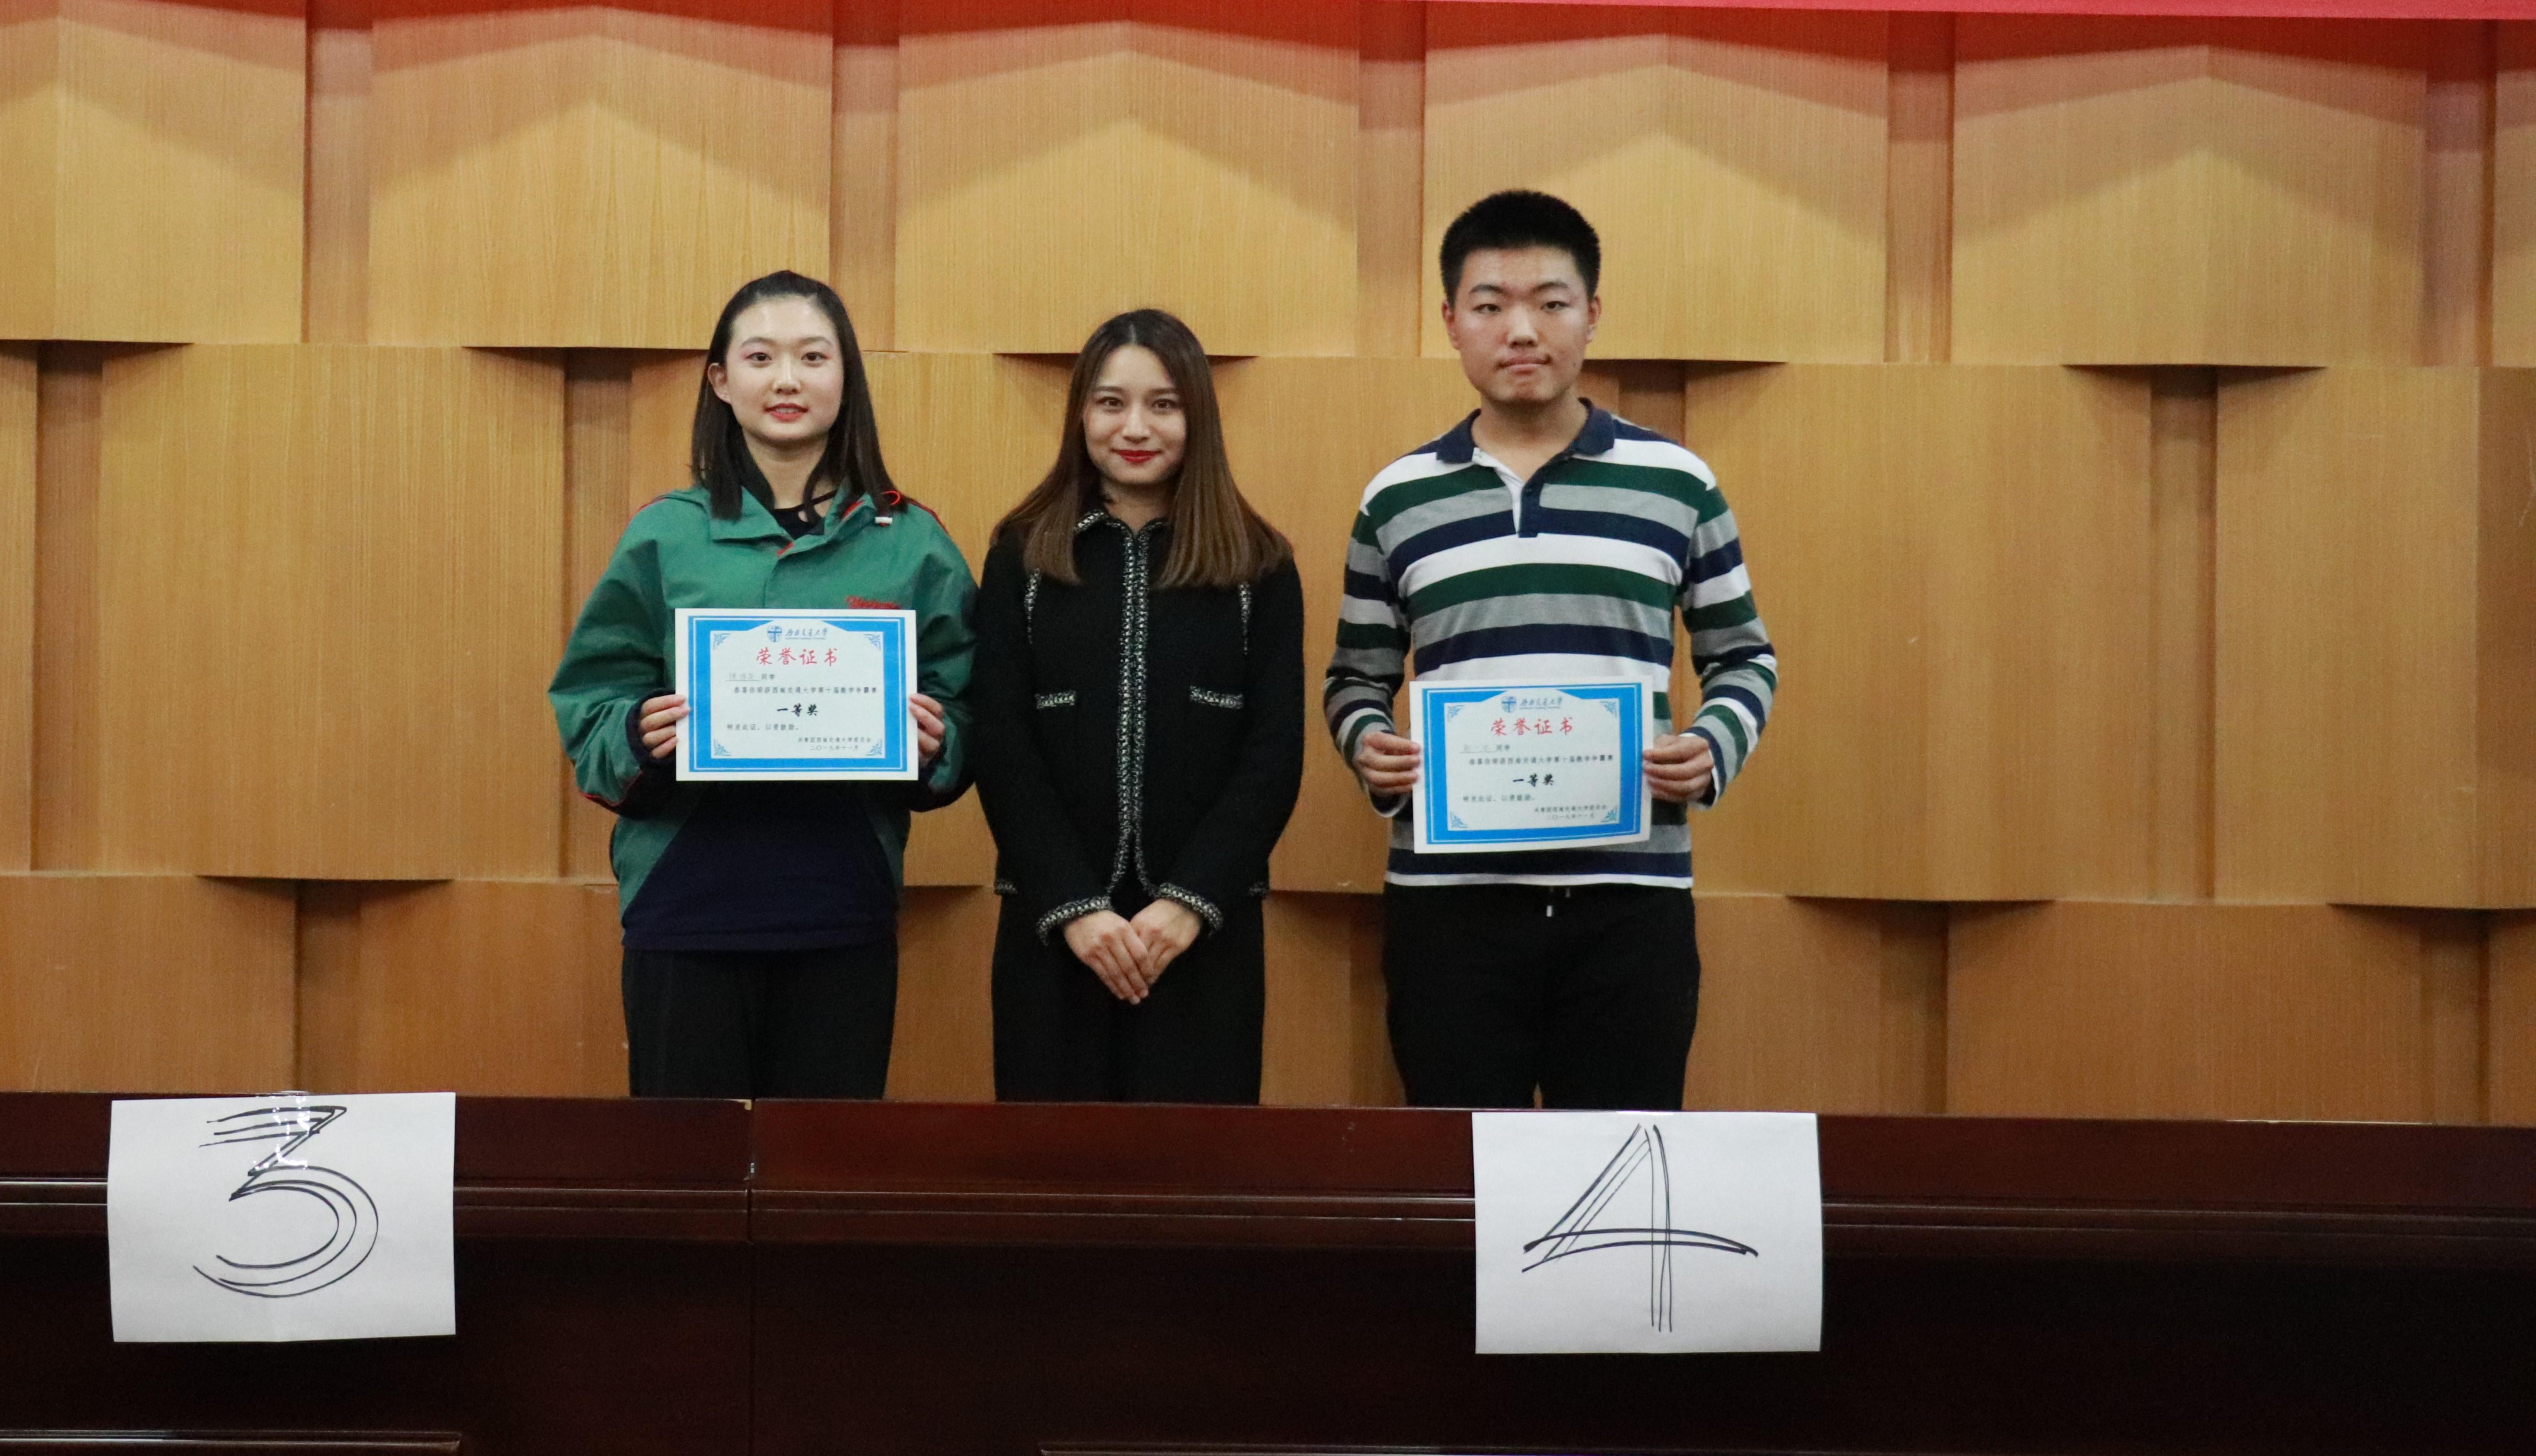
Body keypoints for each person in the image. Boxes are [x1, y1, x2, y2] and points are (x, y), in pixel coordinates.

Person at [1324, 192, 1777, 1110]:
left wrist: (1712, 746)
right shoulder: (1397, 498)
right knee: (1458, 1170)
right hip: (1449, 906)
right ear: (1451, 321)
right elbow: (1354, 676)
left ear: (1593, 314)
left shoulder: (1677, 483)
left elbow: (1744, 658)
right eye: (1490, 304)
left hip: (1629, 901)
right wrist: (1369, 744)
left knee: (1619, 1168)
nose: (1521, 330)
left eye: (1551, 302)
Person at [550, 270, 976, 1100]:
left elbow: (966, 706)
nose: (787, 379)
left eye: (813, 357)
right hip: (687, 903)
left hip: (841, 903)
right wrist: (638, 735)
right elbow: (591, 704)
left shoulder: (911, 541)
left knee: (825, 1166)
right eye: (761, 358)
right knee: (689, 1164)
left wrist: (938, 742)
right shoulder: (666, 535)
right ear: (720, 379)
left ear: (846, 376)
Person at [975, 308, 1304, 1103]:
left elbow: (1273, 755)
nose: (1134, 428)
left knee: (1196, 1166)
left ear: (1199, 417)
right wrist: (1076, 909)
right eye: (1110, 403)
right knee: (1053, 1163)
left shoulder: (1257, 563)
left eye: (1164, 404)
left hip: (1203, 936)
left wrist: (1187, 906)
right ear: (1080, 414)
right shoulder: (1022, 553)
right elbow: (1002, 745)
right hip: (1055, 932)